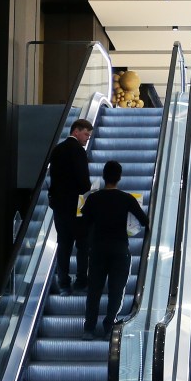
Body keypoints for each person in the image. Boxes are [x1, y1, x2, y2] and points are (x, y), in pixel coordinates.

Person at [79, 159, 149, 339]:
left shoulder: (93, 198)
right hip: (119, 250)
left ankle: (89, 329)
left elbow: (83, 224)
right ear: (119, 178)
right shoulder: (127, 198)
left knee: (94, 290)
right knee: (116, 290)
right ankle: (109, 326)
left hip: (98, 250)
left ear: (103, 177)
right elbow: (144, 221)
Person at [48, 118, 93, 293]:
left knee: (64, 244)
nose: (87, 139)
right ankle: (81, 280)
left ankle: (63, 283)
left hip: (59, 206)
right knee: (82, 244)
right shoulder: (78, 152)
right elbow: (83, 181)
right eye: (86, 134)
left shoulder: (57, 150)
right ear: (76, 131)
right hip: (77, 206)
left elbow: (53, 178)